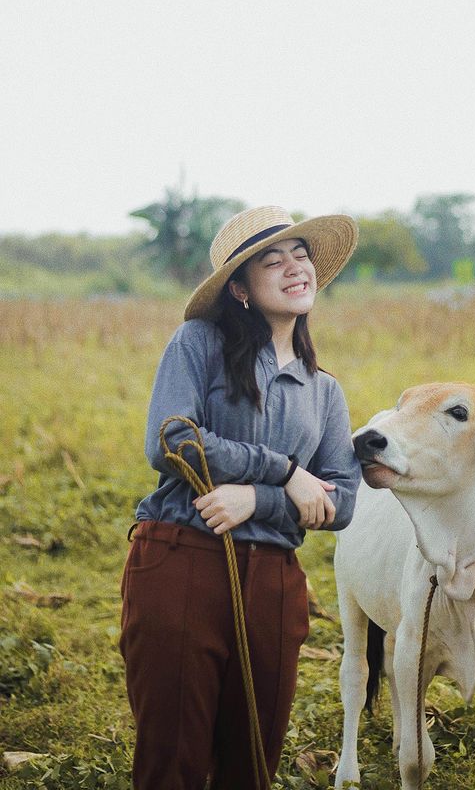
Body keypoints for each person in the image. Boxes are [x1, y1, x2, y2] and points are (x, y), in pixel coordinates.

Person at [119, 205, 362, 790]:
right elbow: (172, 441)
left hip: (275, 583)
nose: (294, 267)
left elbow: (344, 500)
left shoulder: (324, 391)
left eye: (300, 254)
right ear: (240, 288)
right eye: (271, 259)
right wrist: (283, 471)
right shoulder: (197, 343)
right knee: (171, 760)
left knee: (253, 762)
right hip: (183, 560)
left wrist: (258, 499)